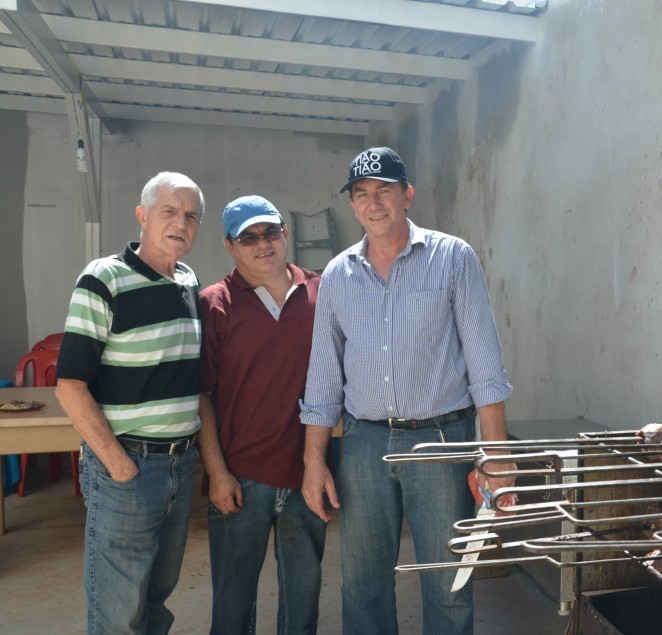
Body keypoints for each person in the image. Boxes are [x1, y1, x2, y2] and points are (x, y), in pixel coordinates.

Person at [300, 146, 515, 635]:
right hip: (364, 444)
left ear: (407, 195)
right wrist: (314, 462)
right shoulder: (337, 275)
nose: (373, 204)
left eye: (384, 191)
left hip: (442, 442)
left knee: (448, 580)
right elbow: (323, 377)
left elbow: (485, 366)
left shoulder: (452, 257)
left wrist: (496, 455)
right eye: (361, 195)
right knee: (362, 582)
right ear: (352, 206)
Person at [55, 171, 205, 634]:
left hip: (181, 466)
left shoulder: (188, 281)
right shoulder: (104, 278)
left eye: (191, 216)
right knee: (118, 612)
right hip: (129, 467)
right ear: (142, 216)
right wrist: (119, 466)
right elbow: (70, 385)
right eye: (169, 211)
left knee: (156, 602)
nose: (181, 223)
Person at [197, 195, 336, 634]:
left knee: (303, 602)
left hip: (306, 476)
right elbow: (201, 397)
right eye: (249, 237)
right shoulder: (214, 304)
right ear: (229, 246)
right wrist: (218, 474)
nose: (263, 245)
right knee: (233, 606)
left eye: (271, 232)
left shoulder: (322, 293)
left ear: (286, 234)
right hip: (240, 480)